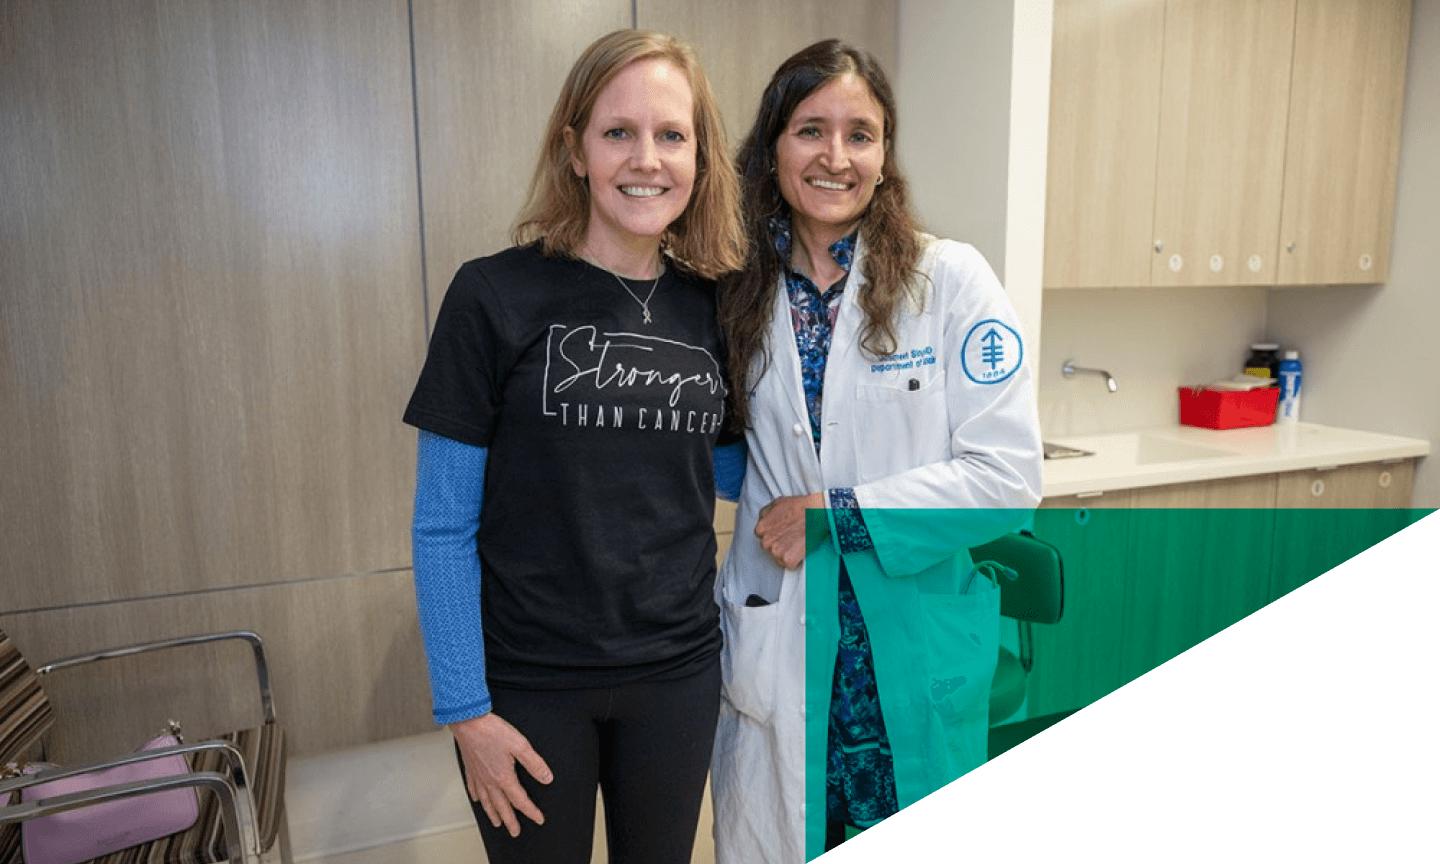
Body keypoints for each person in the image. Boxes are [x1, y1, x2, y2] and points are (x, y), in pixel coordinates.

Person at [403, 29, 745, 864]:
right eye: (617, 132)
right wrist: (466, 712)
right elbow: (443, 524)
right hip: (527, 684)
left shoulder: (720, 307)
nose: (647, 159)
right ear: (574, 149)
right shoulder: (493, 295)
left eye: (672, 135)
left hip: (677, 674)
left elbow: (733, 471)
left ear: (700, 157)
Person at [710, 39, 1043, 862]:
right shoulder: (731, 287)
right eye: (810, 130)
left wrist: (835, 515)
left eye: (860, 134)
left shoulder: (951, 281)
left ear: (885, 154)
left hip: (908, 643)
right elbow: (723, 451)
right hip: (783, 637)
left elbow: (1007, 479)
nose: (836, 156)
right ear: (773, 146)